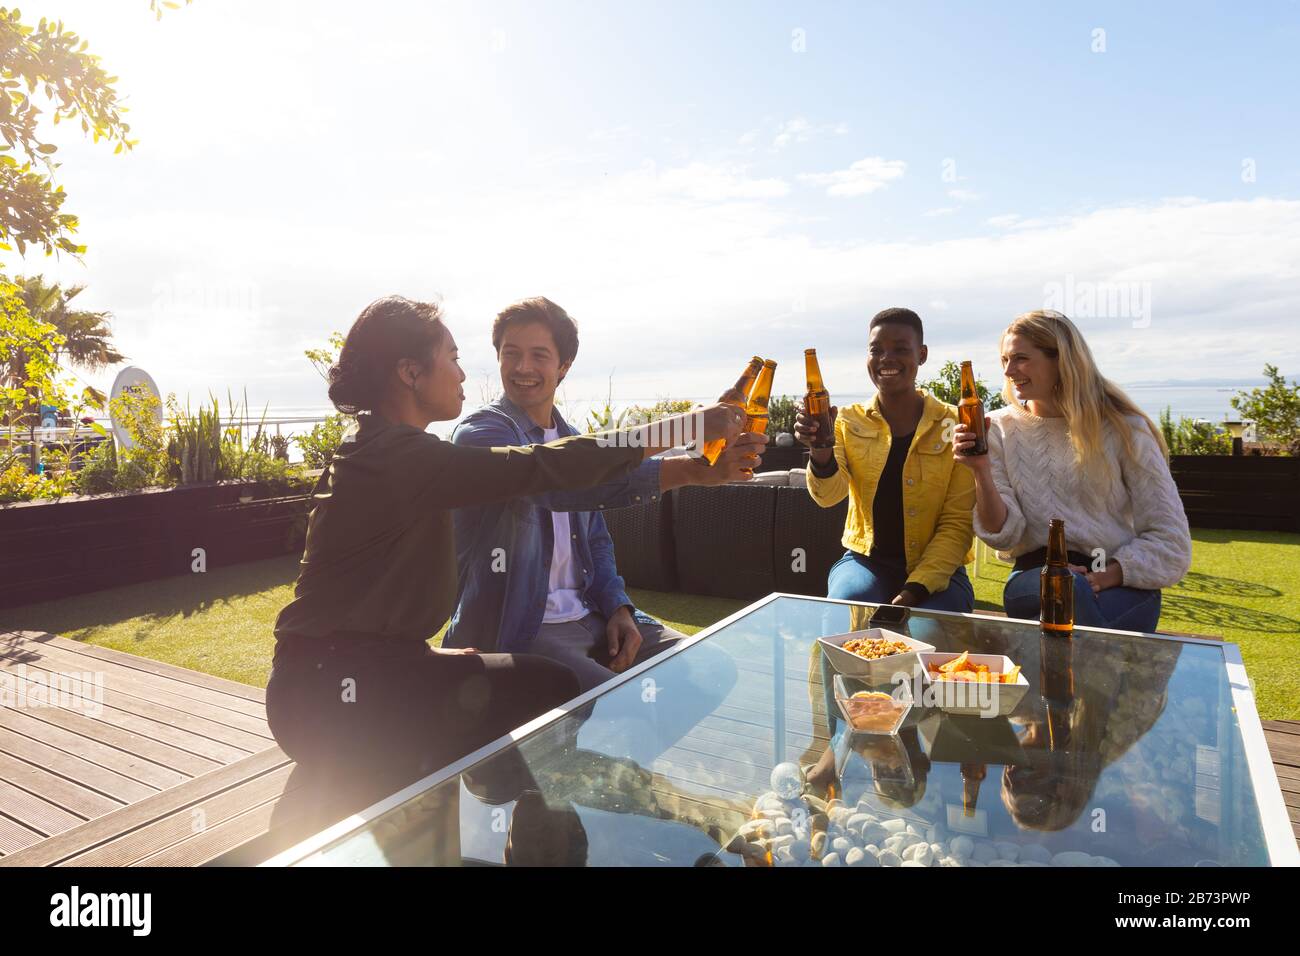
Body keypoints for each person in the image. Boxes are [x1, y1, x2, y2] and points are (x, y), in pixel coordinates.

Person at [265, 295, 744, 828]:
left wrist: (430, 661)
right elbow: (545, 471)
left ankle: (518, 802)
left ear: (563, 365)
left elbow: (367, 606)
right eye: (452, 356)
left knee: (541, 690)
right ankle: (515, 796)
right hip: (330, 692)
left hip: (353, 673)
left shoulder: (394, 451)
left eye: (539, 355)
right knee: (546, 693)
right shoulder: (404, 457)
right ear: (409, 372)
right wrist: (682, 428)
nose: (463, 371)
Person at [447, 296, 763, 693]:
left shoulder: (575, 440)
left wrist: (617, 605)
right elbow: (558, 481)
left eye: (539, 355)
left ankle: (623, 747)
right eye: (511, 354)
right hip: (523, 628)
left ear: (563, 367)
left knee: (711, 670)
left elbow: (594, 540)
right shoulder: (480, 435)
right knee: (621, 703)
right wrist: (685, 442)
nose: (523, 367)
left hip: (591, 616)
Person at [953, 310, 1192, 632]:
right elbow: (1003, 534)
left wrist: (1103, 576)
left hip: (1117, 579)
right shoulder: (997, 428)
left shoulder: (1124, 429)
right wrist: (980, 471)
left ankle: (1078, 676)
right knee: (1068, 592)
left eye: (1021, 358)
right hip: (1033, 579)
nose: (1009, 371)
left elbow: (1171, 539)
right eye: (1004, 360)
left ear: (1061, 360)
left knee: (1077, 602)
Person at [795, 307, 976, 611]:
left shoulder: (955, 423)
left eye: (900, 349)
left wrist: (917, 587)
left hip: (941, 566)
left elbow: (958, 522)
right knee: (848, 607)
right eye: (876, 350)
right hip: (864, 561)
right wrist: (820, 447)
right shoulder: (847, 421)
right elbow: (828, 496)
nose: (886, 358)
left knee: (932, 628)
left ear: (922, 354)